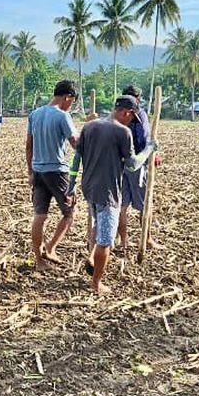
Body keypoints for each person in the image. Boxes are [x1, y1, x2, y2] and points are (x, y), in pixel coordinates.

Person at [69, 95, 156, 295]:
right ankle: (96, 282)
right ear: (127, 112)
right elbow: (132, 165)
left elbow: (77, 157)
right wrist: (149, 149)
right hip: (108, 192)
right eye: (132, 118)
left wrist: (71, 185)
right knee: (106, 239)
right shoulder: (123, 132)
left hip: (89, 187)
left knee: (98, 223)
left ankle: (91, 258)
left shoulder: (90, 126)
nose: (131, 122)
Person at [26, 80, 79, 272]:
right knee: (69, 212)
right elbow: (76, 144)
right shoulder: (62, 116)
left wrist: (30, 172)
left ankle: (39, 261)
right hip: (57, 171)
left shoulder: (35, 114)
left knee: (39, 216)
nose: (70, 105)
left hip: (38, 171)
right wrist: (90, 127)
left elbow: (28, 146)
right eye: (71, 102)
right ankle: (50, 247)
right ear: (68, 97)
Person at [113, 84, 152, 251]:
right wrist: (150, 152)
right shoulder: (139, 114)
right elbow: (143, 138)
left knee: (122, 205)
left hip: (119, 163)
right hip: (136, 163)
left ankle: (123, 241)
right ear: (138, 99)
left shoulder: (115, 116)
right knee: (144, 204)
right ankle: (147, 239)